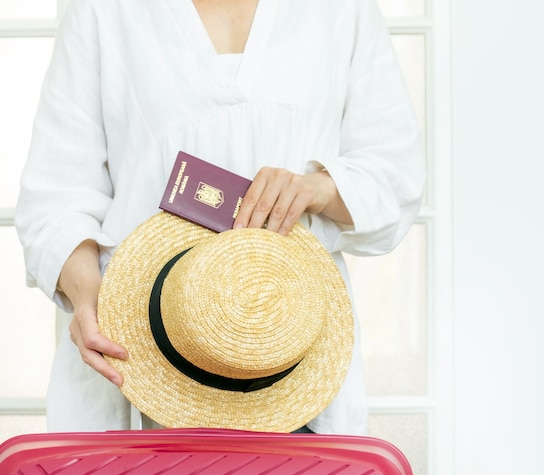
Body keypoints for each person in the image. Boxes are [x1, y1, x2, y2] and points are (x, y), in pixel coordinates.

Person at [15, 0, 425, 435]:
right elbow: (56, 196)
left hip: (292, 358)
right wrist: (89, 298)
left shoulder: (343, 10)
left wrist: (318, 187)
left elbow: (395, 175)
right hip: (134, 357)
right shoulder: (103, 11)